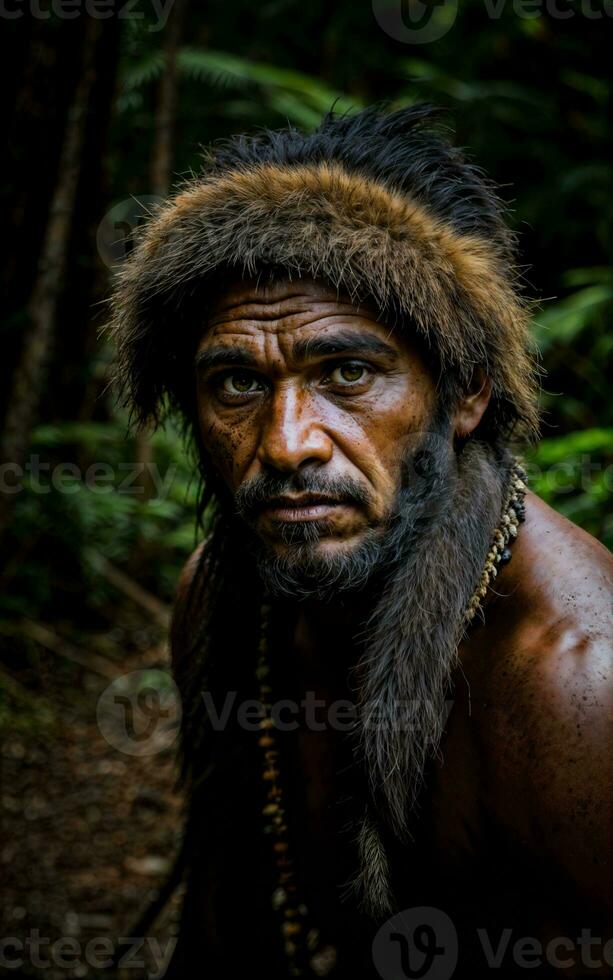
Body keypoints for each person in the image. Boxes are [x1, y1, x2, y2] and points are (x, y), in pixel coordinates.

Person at [108, 105, 613, 978]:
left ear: (465, 396)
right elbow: (228, 928)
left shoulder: (575, 687)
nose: (286, 442)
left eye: (347, 373)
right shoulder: (216, 599)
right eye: (235, 382)